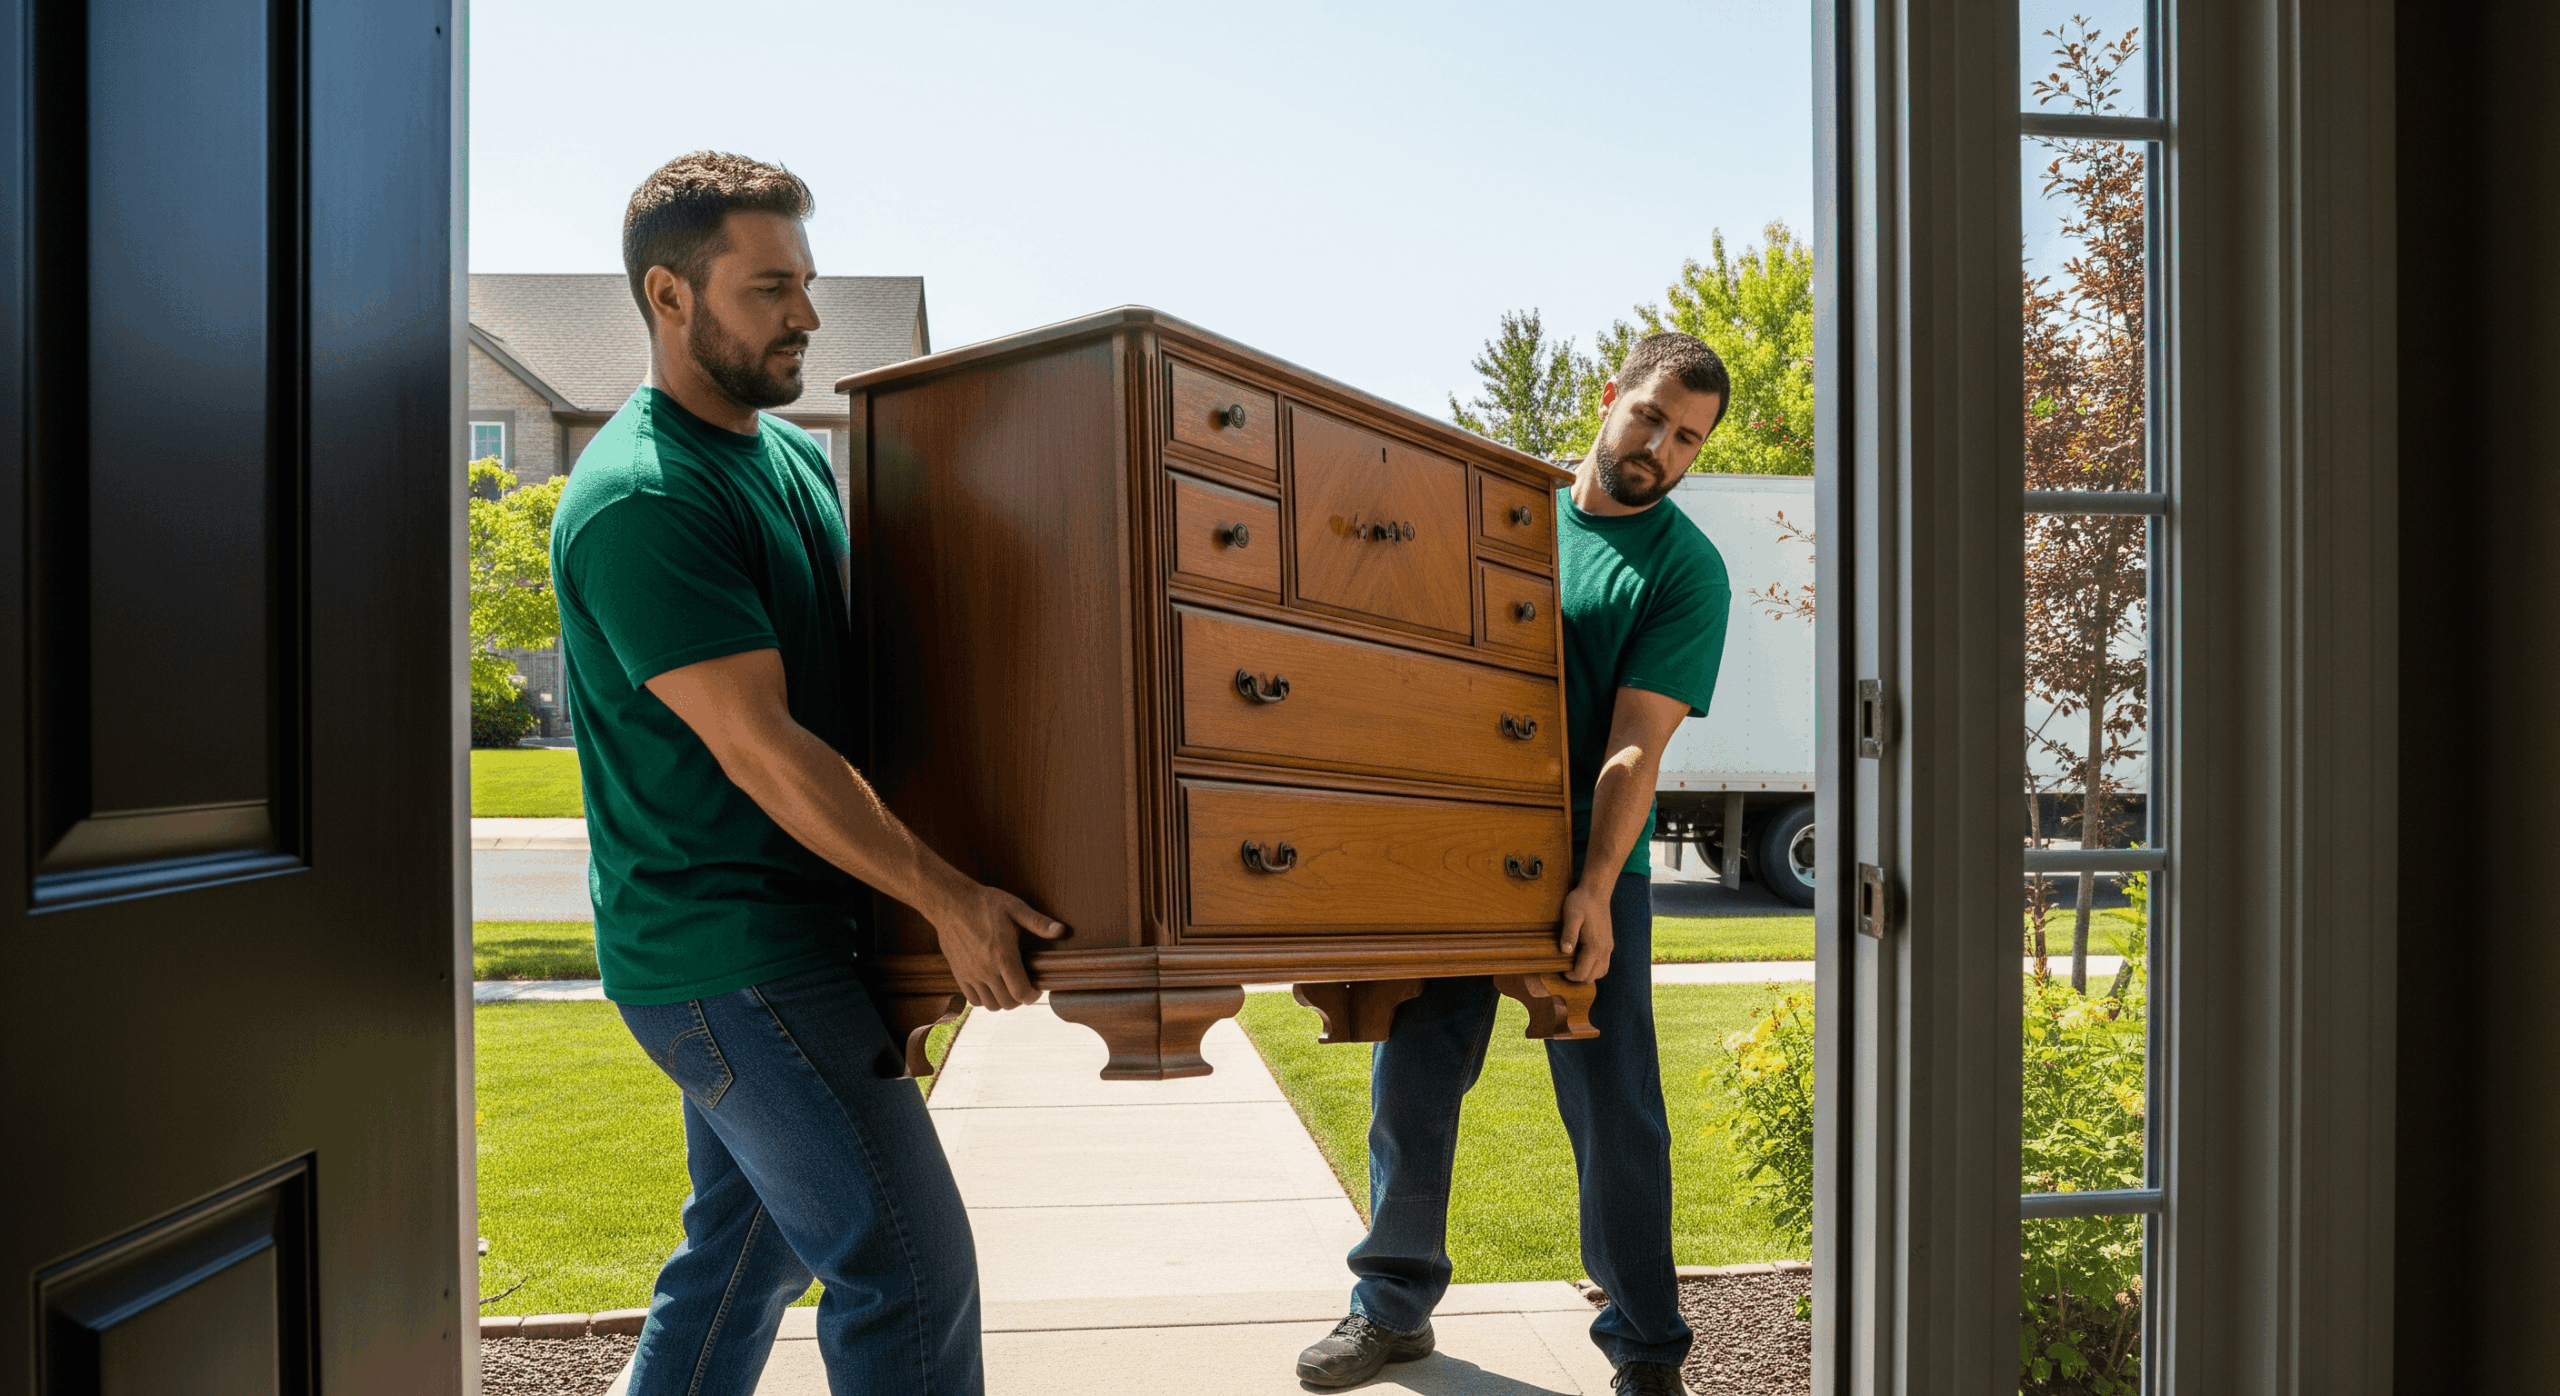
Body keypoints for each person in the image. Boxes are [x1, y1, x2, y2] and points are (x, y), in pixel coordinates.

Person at [551, 151, 1064, 1396]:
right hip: (729, 957)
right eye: (771, 286)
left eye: (808, 282)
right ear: (670, 297)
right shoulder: (641, 496)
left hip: (792, 944)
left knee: (740, 1261)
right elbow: (763, 747)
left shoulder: (779, 459)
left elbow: (857, 697)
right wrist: (946, 898)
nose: (808, 315)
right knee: (906, 1269)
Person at [1294, 333, 1735, 1396]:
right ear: (1608, 397)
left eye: (1687, 439)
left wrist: (1593, 884)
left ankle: (1644, 1347)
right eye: (1650, 418)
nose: (1661, 449)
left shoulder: (1684, 569)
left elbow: (1635, 743)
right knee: (1415, 1079)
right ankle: (1389, 1308)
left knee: (1613, 1105)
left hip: (1588, 862)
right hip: (1453, 849)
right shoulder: (1498, 511)